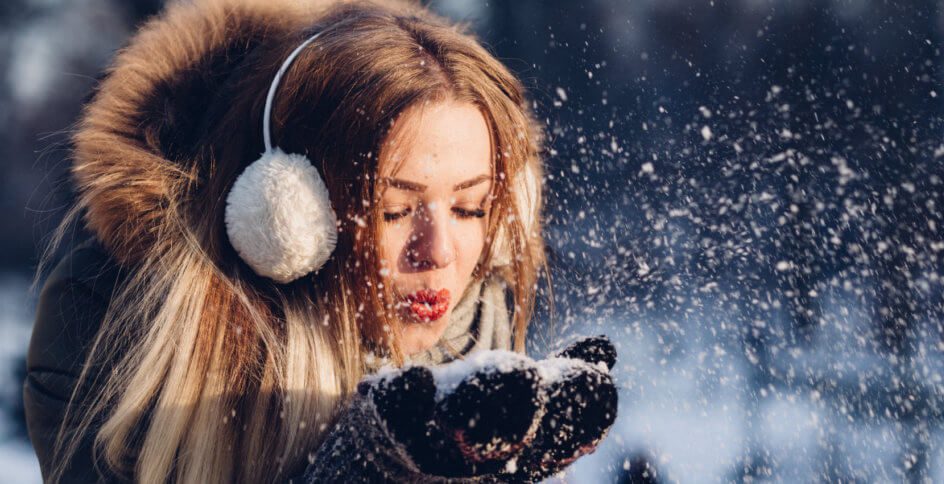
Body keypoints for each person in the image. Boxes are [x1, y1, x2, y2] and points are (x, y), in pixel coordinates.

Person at [23, 0, 618, 482]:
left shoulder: (479, 327)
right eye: (394, 210)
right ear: (286, 216)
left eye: (470, 207)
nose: (438, 253)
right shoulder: (116, 332)